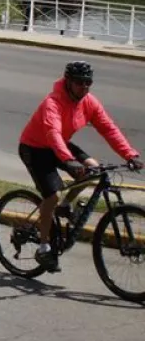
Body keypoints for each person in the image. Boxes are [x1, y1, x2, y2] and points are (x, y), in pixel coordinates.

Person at [18, 61, 142, 271]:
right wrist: (69, 160)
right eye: (79, 83)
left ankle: (66, 206)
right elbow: (52, 133)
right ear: (68, 82)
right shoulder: (53, 103)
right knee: (51, 196)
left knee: (92, 169)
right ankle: (43, 247)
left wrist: (130, 154)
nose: (84, 88)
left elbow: (108, 129)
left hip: (60, 146)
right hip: (35, 148)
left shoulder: (89, 101)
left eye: (88, 83)